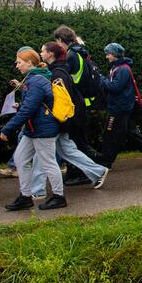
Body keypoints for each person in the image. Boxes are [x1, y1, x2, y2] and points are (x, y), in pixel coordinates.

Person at [30, 43, 109, 191]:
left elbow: (61, 100)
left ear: (50, 54)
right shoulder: (59, 70)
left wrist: (58, 120)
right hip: (67, 118)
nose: (40, 53)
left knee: (42, 155)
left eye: (42, 51)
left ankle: (36, 190)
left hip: (60, 119)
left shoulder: (57, 73)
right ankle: (98, 171)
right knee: (68, 151)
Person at [1, 48, 66, 211]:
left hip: (42, 130)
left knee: (48, 163)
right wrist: (21, 105)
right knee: (20, 158)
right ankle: (25, 197)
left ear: (30, 62)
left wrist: (7, 129)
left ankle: (59, 197)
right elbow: (32, 105)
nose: (17, 65)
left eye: (19, 62)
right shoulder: (34, 78)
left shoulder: (36, 81)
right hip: (34, 129)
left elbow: (29, 109)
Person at [97, 43, 142, 169]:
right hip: (122, 106)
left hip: (119, 108)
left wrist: (100, 78)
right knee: (130, 133)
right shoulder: (119, 68)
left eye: (108, 54)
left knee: (110, 134)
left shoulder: (123, 69)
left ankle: (106, 162)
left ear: (114, 54)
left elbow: (115, 87)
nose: (106, 57)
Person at [53, 26, 97, 185]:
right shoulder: (79, 52)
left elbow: (69, 80)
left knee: (77, 141)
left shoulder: (71, 55)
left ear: (59, 40)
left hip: (76, 103)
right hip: (81, 102)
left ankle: (82, 174)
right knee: (77, 140)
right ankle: (75, 172)